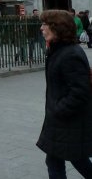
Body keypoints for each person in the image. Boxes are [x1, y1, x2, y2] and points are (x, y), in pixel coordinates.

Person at [36, 10, 92, 178]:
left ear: (57, 28)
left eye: (45, 25)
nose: (41, 28)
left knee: (64, 160)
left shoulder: (70, 54)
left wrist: (58, 109)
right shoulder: (57, 50)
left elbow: (80, 91)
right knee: (63, 159)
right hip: (62, 121)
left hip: (68, 120)